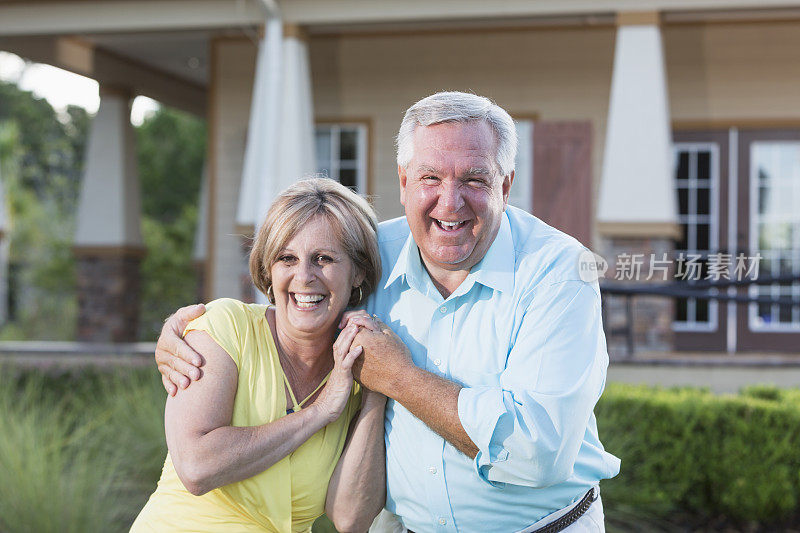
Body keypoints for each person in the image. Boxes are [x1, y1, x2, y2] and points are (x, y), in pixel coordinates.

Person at [157, 92, 621, 533]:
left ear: (506, 184)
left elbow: (536, 452)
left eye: (474, 179)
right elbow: (299, 297)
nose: (450, 201)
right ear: (403, 182)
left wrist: (397, 379)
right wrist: (194, 331)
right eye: (430, 178)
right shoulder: (372, 253)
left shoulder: (559, 272)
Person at [134, 178, 386, 533]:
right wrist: (320, 412)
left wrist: (379, 387)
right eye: (287, 258)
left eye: (323, 259)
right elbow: (196, 467)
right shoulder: (226, 327)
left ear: (358, 270)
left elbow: (350, 519)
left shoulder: (353, 374)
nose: (304, 276)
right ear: (269, 269)